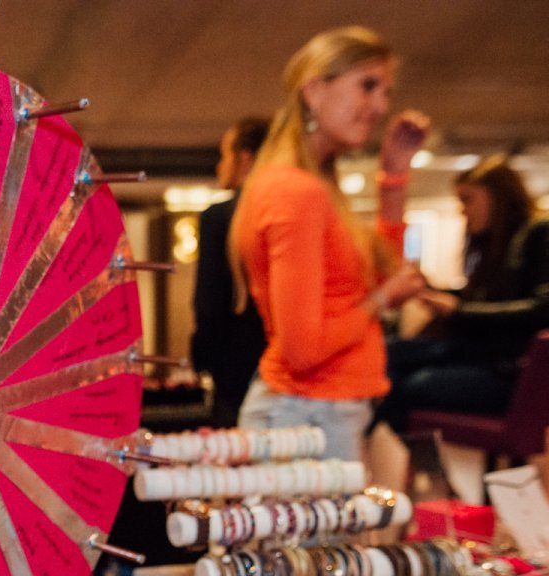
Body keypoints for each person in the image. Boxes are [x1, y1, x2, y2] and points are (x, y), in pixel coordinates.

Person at [231, 26, 429, 461]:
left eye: (385, 92)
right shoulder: (296, 192)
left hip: (317, 411)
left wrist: (393, 178)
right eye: (368, 86)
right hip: (304, 415)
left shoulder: (313, 187)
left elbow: (379, 275)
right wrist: (382, 300)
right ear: (315, 90)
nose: (381, 106)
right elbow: (303, 350)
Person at [377, 157, 549, 431]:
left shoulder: (538, 232)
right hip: (479, 352)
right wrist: (431, 291)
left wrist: (458, 310)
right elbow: (486, 299)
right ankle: (391, 446)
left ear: (498, 197)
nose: (462, 210)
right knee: (386, 354)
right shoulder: (490, 244)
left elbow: (541, 310)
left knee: (406, 383)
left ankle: (403, 450)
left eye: (468, 200)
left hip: (509, 368)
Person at [191, 116, 270, 428]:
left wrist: (201, 358)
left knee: (235, 449)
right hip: (282, 363)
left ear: (245, 159)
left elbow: (208, 302)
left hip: (234, 363)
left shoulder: (220, 217)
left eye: (224, 156)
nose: (219, 166)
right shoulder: (287, 213)